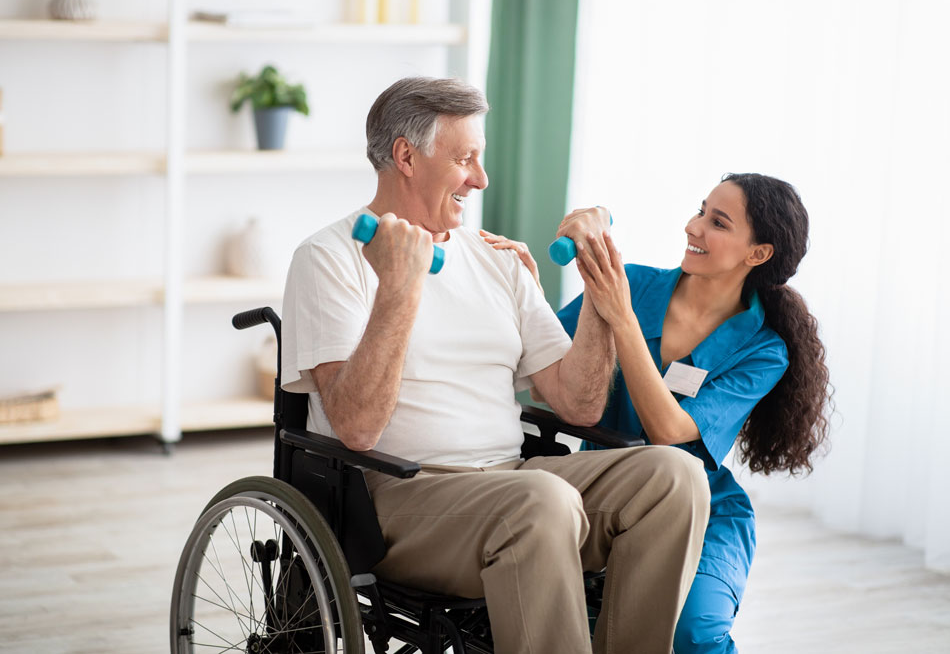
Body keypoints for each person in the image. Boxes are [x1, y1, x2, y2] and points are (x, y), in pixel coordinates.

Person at [280, 76, 711, 654]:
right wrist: (400, 289)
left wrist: (600, 292)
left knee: (674, 477)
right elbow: (356, 427)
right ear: (406, 157)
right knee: (541, 500)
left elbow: (579, 403)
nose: (480, 179)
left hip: (513, 481)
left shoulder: (496, 259)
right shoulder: (328, 258)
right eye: (464, 159)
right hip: (400, 503)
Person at [484, 173, 831, 653]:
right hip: (601, 489)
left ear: (758, 254)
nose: (693, 226)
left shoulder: (764, 351)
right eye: (700, 210)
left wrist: (620, 317)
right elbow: (549, 368)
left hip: (702, 509)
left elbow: (668, 432)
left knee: (693, 633)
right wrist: (529, 290)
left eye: (718, 222)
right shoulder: (638, 285)